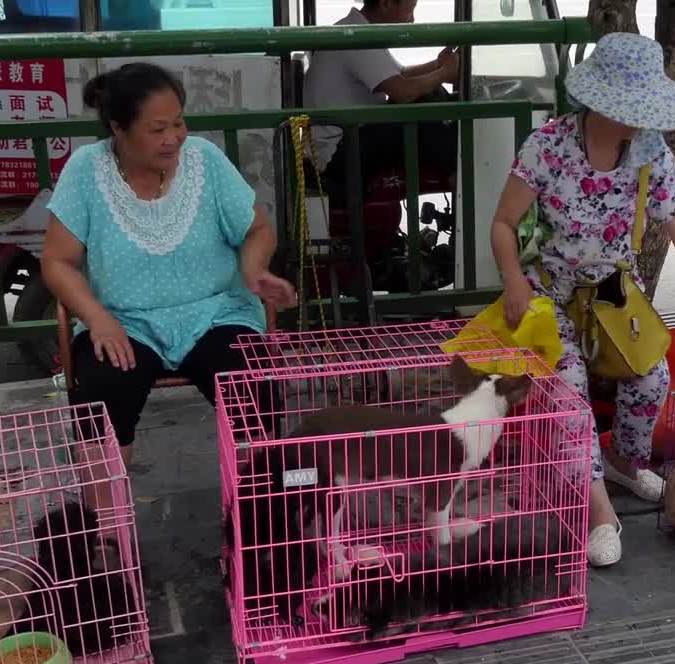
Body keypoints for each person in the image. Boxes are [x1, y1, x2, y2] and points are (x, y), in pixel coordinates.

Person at [490, 33, 675, 568]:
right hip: (550, 290)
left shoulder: (652, 154)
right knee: (570, 390)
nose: (636, 120)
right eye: (628, 109)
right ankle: (598, 510)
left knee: (651, 375)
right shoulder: (548, 146)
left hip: (613, 294)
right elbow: (504, 224)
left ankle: (626, 460)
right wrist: (512, 280)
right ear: (598, 102)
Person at [41, 63, 297, 509]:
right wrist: (97, 319)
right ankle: (107, 533)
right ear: (118, 128)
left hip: (215, 312)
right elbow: (58, 262)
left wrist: (254, 269)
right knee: (103, 393)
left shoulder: (205, 161)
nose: (174, 137)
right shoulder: (86, 169)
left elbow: (257, 230)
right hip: (125, 321)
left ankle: (257, 521)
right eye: (158, 128)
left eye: (178, 122)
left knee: (250, 387)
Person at [301, 0, 459, 193]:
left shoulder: (358, 29)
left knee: (432, 94)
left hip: (350, 137)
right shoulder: (356, 38)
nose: (412, 20)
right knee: (426, 113)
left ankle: (454, 174)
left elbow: (399, 75)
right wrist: (444, 74)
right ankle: (458, 179)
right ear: (385, 4)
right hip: (338, 154)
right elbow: (402, 92)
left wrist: (439, 66)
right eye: (410, 10)